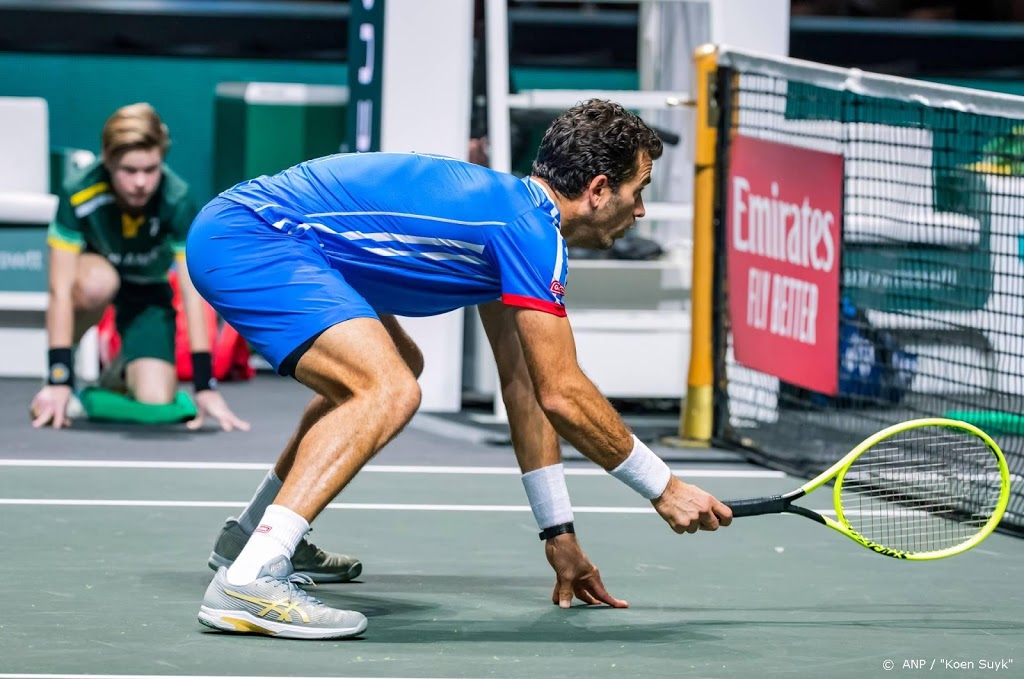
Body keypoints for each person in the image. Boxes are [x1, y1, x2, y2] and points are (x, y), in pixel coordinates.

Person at [187, 99, 733, 640]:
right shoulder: (528, 232)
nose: (638, 211)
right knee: (386, 388)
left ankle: (248, 539)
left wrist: (558, 532)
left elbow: (526, 385)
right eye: (636, 192)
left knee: (398, 366)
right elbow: (564, 394)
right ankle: (253, 577)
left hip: (265, 234)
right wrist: (665, 487)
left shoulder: (512, 220)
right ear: (596, 191)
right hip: (253, 236)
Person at [30, 103, 248, 432]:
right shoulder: (78, 193)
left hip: (148, 293)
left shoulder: (177, 199)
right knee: (98, 282)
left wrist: (205, 386)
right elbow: (59, 291)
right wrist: (57, 376)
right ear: (107, 159)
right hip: (96, 280)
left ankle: (113, 375)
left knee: (156, 401)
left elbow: (193, 293)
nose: (141, 182)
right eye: (129, 171)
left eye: (151, 169)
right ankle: (64, 380)